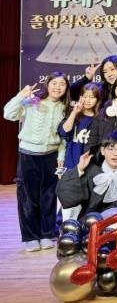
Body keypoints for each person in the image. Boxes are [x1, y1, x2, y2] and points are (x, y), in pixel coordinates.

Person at [4, 73, 69, 252]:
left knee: (49, 197)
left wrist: (61, 156)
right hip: (28, 155)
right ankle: (30, 237)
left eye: (62, 84)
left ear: (66, 88)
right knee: (27, 198)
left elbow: (64, 137)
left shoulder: (65, 108)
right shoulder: (32, 101)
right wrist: (20, 96)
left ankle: (46, 234)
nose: (57, 87)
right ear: (47, 84)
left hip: (51, 156)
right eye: (54, 83)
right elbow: (8, 114)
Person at [57, 131, 117, 218]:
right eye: (111, 149)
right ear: (103, 151)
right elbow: (67, 196)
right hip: (93, 222)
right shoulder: (92, 172)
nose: (115, 154)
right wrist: (79, 169)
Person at [57, 82, 103, 220]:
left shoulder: (99, 119)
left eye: (92, 97)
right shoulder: (74, 116)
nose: (88, 100)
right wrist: (74, 112)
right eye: (85, 96)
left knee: (84, 207)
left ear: (97, 100)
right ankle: (66, 229)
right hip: (71, 165)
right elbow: (64, 132)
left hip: (90, 168)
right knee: (68, 205)